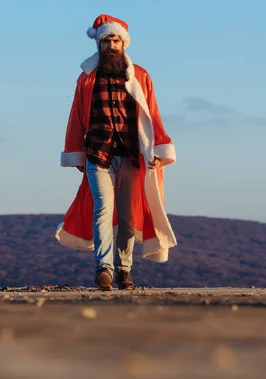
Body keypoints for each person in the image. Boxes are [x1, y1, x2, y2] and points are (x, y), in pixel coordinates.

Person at [55, 14, 177, 291]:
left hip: (133, 155)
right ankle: (104, 268)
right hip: (98, 154)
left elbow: (152, 114)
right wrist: (75, 152)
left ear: (124, 43)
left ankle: (124, 269)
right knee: (103, 210)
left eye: (116, 40)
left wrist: (157, 148)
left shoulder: (140, 76)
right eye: (107, 40)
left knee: (127, 215)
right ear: (98, 44)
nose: (112, 45)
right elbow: (76, 116)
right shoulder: (86, 79)